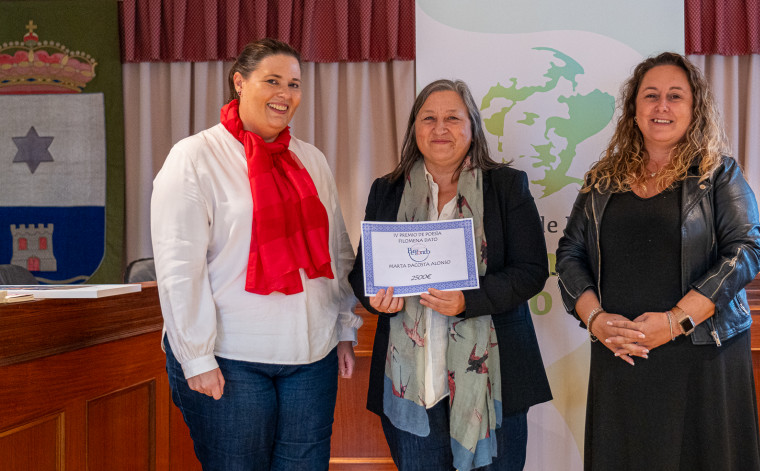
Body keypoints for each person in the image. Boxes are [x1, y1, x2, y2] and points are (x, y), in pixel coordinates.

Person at [151, 38, 362, 470]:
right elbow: (178, 269)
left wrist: (344, 326)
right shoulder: (194, 157)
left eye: (294, 84)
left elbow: (336, 252)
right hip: (231, 358)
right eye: (272, 80)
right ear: (239, 82)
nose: (285, 93)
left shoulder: (312, 159)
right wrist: (196, 358)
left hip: (311, 356)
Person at [555, 52, 760, 470]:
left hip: (700, 354)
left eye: (675, 96)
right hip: (623, 354)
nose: (661, 106)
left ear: (694, 109)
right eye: (650, 96)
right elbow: (569, 255)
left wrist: (675, 321)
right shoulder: (602, 180)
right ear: (634, 111)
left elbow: (745, 252)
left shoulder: (719, 174)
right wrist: (596, 320)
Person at [348, 79, 552, 471]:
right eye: (429, 118)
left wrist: (468, 300)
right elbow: (363, 271)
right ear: (415, 129)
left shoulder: (506, 187)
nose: (440, 129)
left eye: (452, 118)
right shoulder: (387, 190)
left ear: (472, 127)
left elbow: (531, 271)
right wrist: (374, 297)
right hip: (411, 386)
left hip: (495, 382)